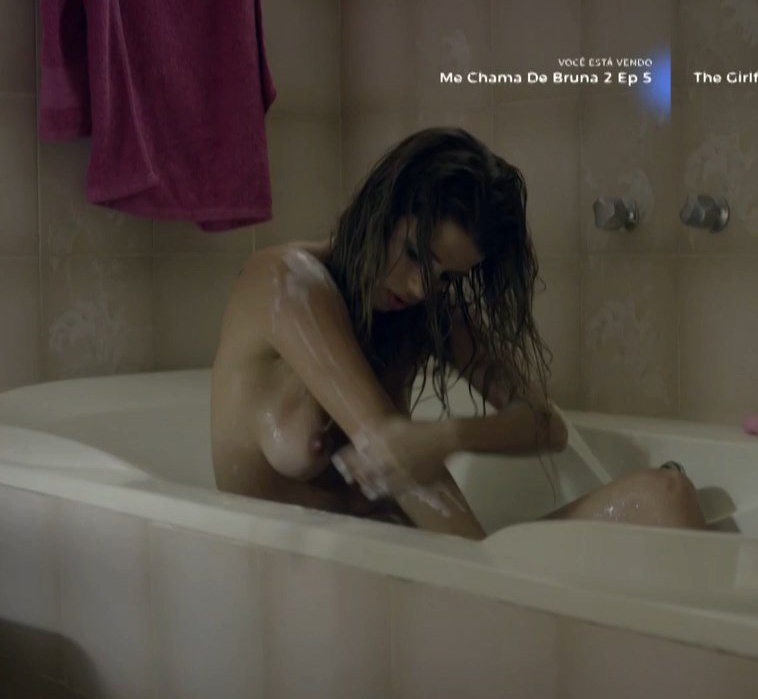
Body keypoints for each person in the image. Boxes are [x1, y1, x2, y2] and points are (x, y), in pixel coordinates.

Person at [210, 127, 706, 539]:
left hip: (411, 569)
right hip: (315, 584)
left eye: (446, 276)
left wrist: (446, 436)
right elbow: (387, 446)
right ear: (380, 209)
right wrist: (482, 572)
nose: (421, 288)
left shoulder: (422, 313)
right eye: (414, 254)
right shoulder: (286, 282)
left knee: (664, 497)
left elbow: (544, 424)